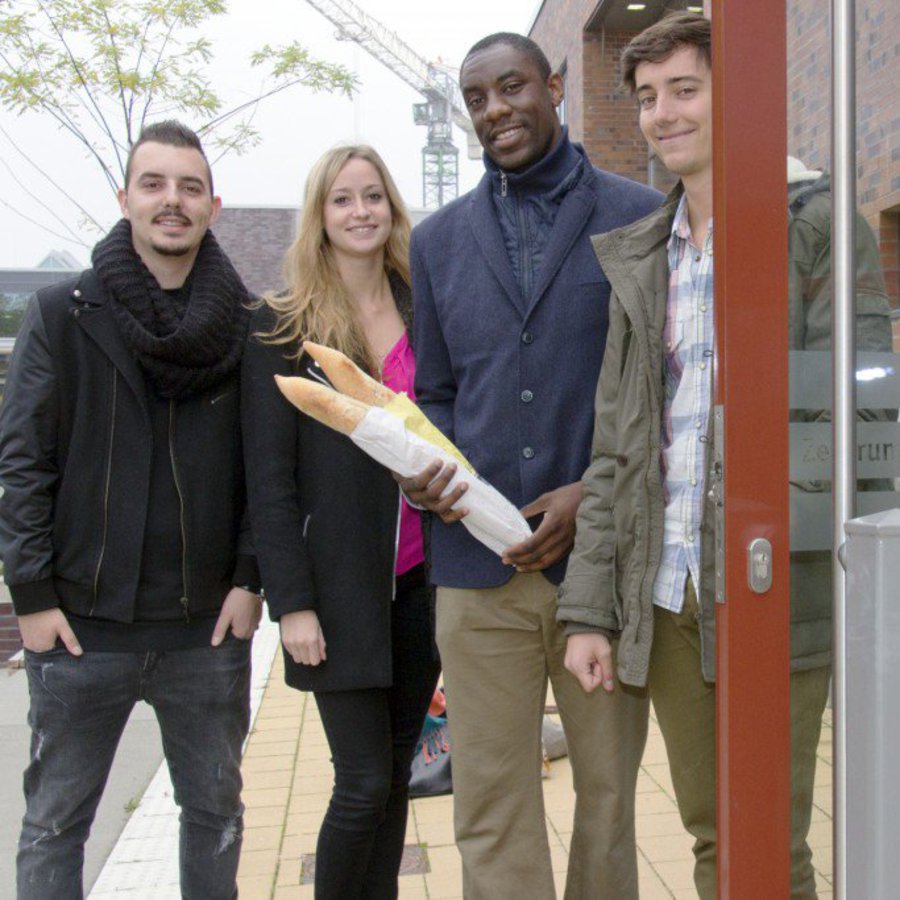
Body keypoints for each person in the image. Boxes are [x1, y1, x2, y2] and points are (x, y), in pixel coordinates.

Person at [559, 13, 893, 900]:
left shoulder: (819, 225)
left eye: (684, 89)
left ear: (735, 94)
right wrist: (590, 610)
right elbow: (615, 451)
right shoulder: (642, 255)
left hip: (767, 586)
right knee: (713, 835)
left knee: (772, 849)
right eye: (646, 97)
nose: (662, 113)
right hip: (667, 596)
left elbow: (860, 426)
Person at [396, 32, 661, 900]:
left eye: (512, 87)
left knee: (611, 794)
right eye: (476, 99)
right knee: (490, 799)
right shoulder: (435, 243)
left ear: (554, 86)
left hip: (606, 564)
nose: (496, 109)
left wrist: (593, 491)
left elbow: (671, 384)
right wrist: (424, 465)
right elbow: (434, 389)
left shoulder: (638, 215)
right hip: (477, 572)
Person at [0, 120, 261, 900]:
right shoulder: (60, 315)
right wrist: (35, 597)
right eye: (154, 184)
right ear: (125, 198)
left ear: (213, 205)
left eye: (188, 186)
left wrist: (250, 579)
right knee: (54, 826)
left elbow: (264, 469)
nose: (171, 201)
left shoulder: (247, 327)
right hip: (82, 631)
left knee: (215, 815)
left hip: (204, 634)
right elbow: (22, 466)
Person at [241, 144, 441, 899]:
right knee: (359, 783)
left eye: (373, 196)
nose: (361, 212)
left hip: (425, 579)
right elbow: (269, 481)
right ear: (319, 216)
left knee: (395, 775)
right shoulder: (281, 325)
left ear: (391, 207)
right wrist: (291, 603)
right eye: (343, 199)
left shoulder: (427, 306)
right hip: (338, 590)